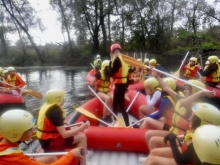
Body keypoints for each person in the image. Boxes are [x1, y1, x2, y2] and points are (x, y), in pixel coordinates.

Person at [143, 103, 220, 165]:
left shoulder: (200, 143)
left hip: (183, 160)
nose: (189, 119)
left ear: (202, 121)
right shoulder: (200, 135)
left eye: (193, 117)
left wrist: (172, 140)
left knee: (153, 160)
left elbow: (180, 160)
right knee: (153, 153)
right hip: (184, 156)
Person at [0, 109, 83, 165]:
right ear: (16, 135)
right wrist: (71, 154)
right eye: (29, 130)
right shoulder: (15, 158)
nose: (33, 130)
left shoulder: (5, 135)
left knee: (52, 157)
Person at [36, 89, 91, 165]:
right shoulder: (55, 111)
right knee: (82, 136)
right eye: (62, 98)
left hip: (45, 141)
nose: (64, 100)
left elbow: (50, 121)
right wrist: (82, 128)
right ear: (59, 99)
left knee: (75, 130)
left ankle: (80, 154)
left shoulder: (47, 106)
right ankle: (83, 163)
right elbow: (64, 134)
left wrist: (62, 122)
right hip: (50, 143)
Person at [109, 43, 130, 126]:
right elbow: (127, 74)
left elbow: (111, 74)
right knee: (115, 103)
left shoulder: (116, 60)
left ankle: (128, 125)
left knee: (121, 106)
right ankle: (114, 120)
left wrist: (109, 66)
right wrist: (126, 86)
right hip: (122, 85)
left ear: (112, 52)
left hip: (119, 85)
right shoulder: (124, 59)